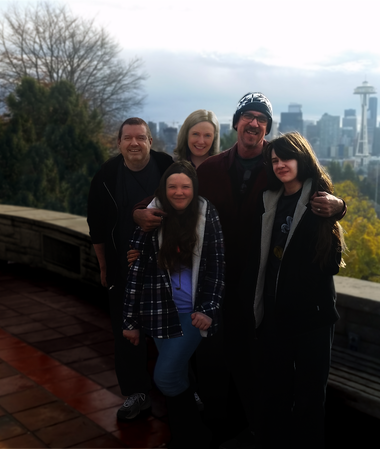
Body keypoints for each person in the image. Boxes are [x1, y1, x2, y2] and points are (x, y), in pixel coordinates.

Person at [146, 92, 346, 448]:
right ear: (236, 122)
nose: (254, 124)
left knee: (257, 368)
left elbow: (312, 192)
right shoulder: (209, 169)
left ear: (267, 128)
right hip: (211, 283)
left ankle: (255, 430)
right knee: (213, 362)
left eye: (262, 119)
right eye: (248, 116)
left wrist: (340, 206)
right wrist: (140, 222)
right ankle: (216, 427)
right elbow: (174, 201)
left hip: (260, 288)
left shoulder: (277, 165)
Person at [249, 132, 345, 448]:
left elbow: (330, 263)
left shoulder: (319, 199)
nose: (280, 165)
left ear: (301, 158)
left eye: (286, 158)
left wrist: (339, 210)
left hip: (311, 319)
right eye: (274, 160)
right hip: (274, 314)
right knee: (274, 392)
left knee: (309, 398)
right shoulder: (271, 199)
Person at [123, 161, 224, 448]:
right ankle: (187, 437)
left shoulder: (206, 215)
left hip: (191, 315)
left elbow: (217, 267)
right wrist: (130, 322)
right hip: (158, 312)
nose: (179, 192)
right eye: (173, 187)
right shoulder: (151, 216)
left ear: (194, 189)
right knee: (176, 375)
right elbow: (136, 273)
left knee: (165, 377)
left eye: (185, 186)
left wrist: (208, 308)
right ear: (164, 190)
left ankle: (194, 434)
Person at [86, 117, 173, 421]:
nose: (134, 143)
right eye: (127, 138)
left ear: (151, 141)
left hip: (166, 269)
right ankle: (137, 393)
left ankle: (183, 388)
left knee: (175, 330)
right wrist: (104, 264)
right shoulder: (107, 175)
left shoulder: (168, 168)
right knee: (126, 333)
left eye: (140, 137)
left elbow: (187, 210)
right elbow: (96, 225)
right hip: (123, 270)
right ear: (119, 143)